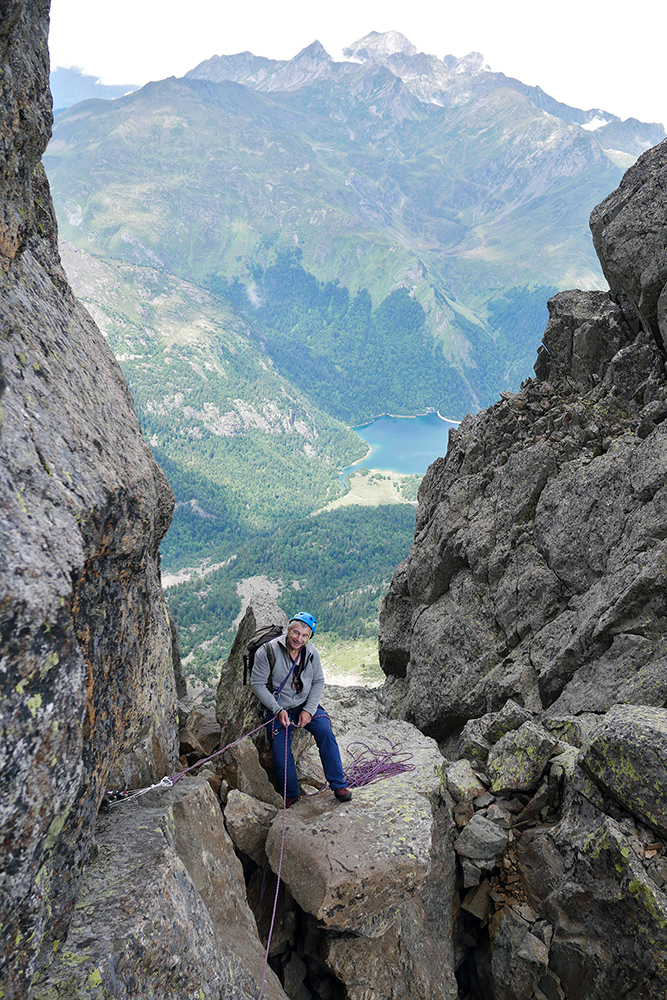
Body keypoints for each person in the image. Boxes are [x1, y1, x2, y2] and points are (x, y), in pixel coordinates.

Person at [251, 612, 352, 806]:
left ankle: (338, 784)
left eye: (305, 636)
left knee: (325, 732)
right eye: (296, 633)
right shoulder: (268, 651)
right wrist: (278, 710)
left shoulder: (311, 653)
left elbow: (318, 681)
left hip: (304, 705)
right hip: (278, 707)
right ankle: (291, 794)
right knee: (281, 748)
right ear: (288, 630)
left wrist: (309, 710)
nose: (299, 639)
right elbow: (257, 685)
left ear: (309, 637)